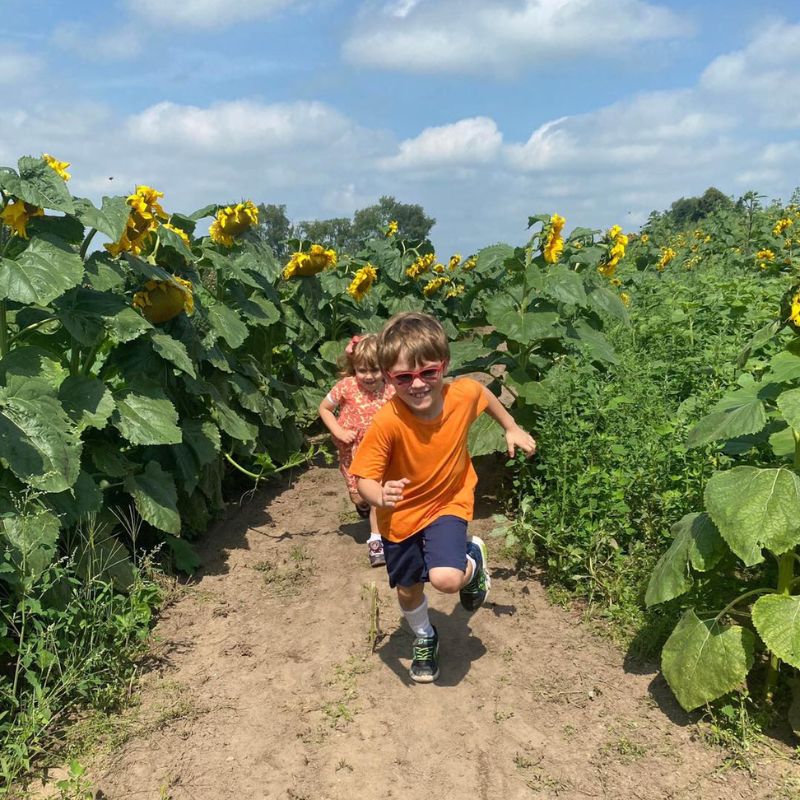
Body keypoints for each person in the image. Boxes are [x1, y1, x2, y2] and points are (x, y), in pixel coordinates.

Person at [350, 312, 537, 683]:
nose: (417, 384)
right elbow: (364, 478)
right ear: (389, 377)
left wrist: (511, 427)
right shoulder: (388, 422)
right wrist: (380, 495)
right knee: (407, 588)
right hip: (399, 517)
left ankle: (470, 568)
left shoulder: (461, 394)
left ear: (443, 367)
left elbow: (483, 395)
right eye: (404, 377)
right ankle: (424, 635)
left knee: (446, 579)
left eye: (428, 373)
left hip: (447, 503)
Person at [319, 334, 395, 567]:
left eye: (375, 370)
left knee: (377, 497)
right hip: (352, 451)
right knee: (361, 495)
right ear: (353, 367)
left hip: (382, 452)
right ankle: (361, 502)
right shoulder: (346, 387)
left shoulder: (391, 390)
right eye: (363, 370)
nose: (369, 376)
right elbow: (324, 408)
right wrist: (339, 432)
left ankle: (376, 541)